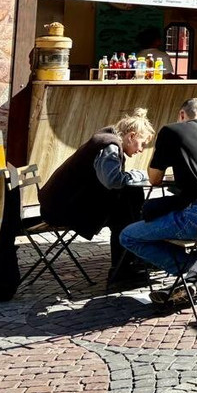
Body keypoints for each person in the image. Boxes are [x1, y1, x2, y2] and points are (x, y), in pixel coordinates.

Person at [119, 104, 197, 305]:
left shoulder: (172, 130)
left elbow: (154, 179)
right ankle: (196, 279)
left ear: (182, 114)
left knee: (128, 236)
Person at [39, 109, 154, 287]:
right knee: (124, 214)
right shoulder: (110, 146)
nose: (141, 150)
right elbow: (112, 181)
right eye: (141, 143)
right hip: (60, 209)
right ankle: (122, 269)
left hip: (62, 203)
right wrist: (138, 176)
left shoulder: (109, 141)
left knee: (130, 201)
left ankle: (127, 264)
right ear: (131, 136)